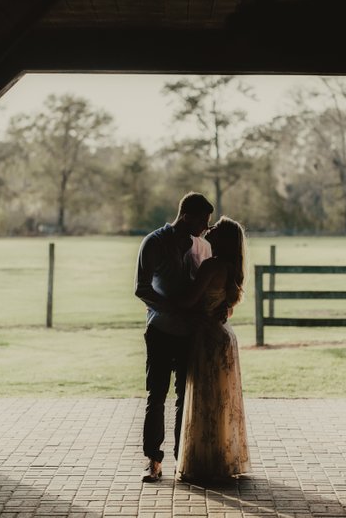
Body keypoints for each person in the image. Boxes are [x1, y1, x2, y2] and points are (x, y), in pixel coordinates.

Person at [135, 192, 214, 483]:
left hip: (188, 334)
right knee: (156, 396)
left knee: (184, 396)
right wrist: (176, 310)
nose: (206, 227)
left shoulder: (199, 246)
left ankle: (184, 459)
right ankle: (153, 461)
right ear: (186, 216)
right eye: (203, 221)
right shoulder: (154, 242)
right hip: (160, 330)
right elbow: (141, 289)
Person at [176, 216, 251, 482]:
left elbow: (188, 300)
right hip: (223, 337)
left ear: (223, 239)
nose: (211, 228)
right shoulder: (231, 267)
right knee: (221, 402)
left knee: (206, 401)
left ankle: (204, 463)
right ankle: (220, 458)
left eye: (217, 227)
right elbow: (225, 302)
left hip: (207, 337)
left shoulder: (211, 265)